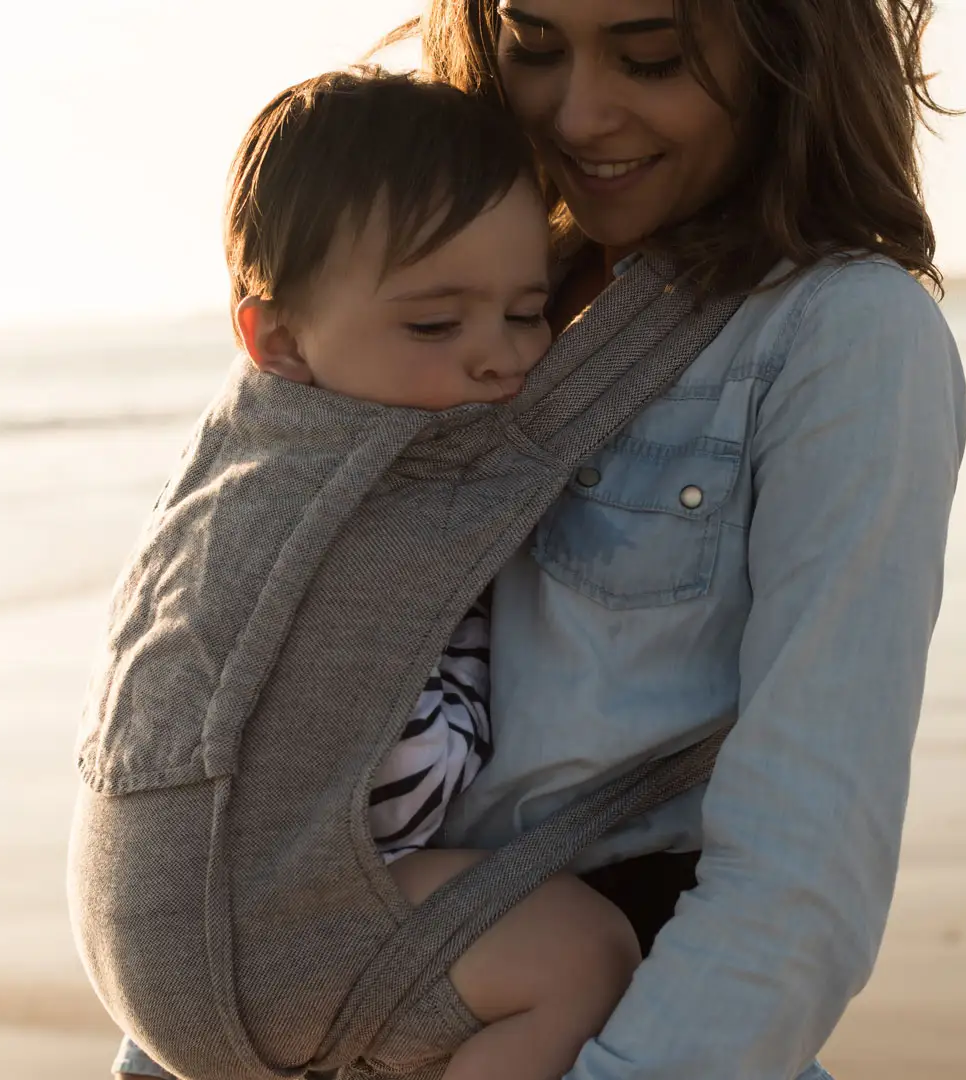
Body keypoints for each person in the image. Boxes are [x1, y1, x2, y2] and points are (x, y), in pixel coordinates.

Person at [115, 0, 966, 1072]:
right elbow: (246, 696)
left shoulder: (843, 337)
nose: (581, 112)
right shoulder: (458, 288)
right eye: (536, 47)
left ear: (782, 48)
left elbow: (803, 871)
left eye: (651, 55)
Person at [99, 69, 658, 1080]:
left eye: (529, 311)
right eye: (436, 326)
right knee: (586, 954)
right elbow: (572, 414)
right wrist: (688, 289)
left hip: (132, 951)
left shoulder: (242, 452)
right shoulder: (382, 461)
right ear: (276, 340)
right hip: (254, 947)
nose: (498, 359)